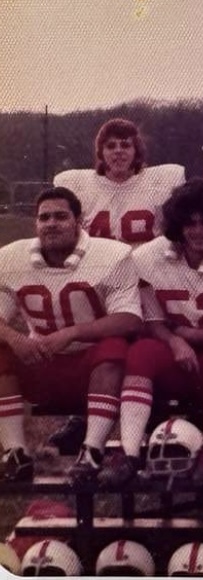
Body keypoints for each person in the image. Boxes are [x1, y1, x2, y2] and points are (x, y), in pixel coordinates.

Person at [100, 180, 203, 488]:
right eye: (189, 223)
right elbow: (152, 320)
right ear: (177, 225)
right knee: (142, 352)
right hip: (184, 362)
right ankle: (129, 452)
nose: (198, 231)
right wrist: (175, 341)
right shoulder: (149, 258)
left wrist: (188, 336)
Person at [0, 188, 141, 485]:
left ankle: (91, 451)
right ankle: (15, 453)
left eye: (61, 216)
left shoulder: (111, 255)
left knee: (114, 346)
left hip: (92, 369)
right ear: (35, 223)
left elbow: (129, 319)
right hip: (43, 362)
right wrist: (16, 340)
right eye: (44, 217)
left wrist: (73, 332)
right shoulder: (12, 257)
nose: (51, 223)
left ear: (79, 221)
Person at [54, 118, 185, 247]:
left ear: (136, 151)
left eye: (125, 145)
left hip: (146, 267)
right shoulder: (78, 184)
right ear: (101, 153)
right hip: (100, 265)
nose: (118, 151)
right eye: (111, 146)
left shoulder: (161, 180)